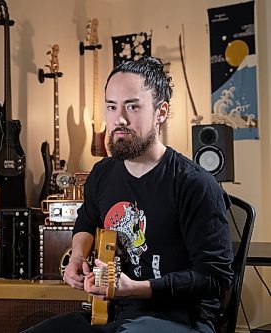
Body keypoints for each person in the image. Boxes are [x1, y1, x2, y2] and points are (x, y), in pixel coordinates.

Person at [24, 57, 233, 333]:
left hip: (182, 318)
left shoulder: (195, 183)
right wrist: (77, 256)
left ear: (161, 112)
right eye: (112, 107)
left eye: (132, 106)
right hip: (114, 314)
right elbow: (87, 221)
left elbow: (215, 277)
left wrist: (136, 289)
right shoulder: (102, 174)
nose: (119, 119)